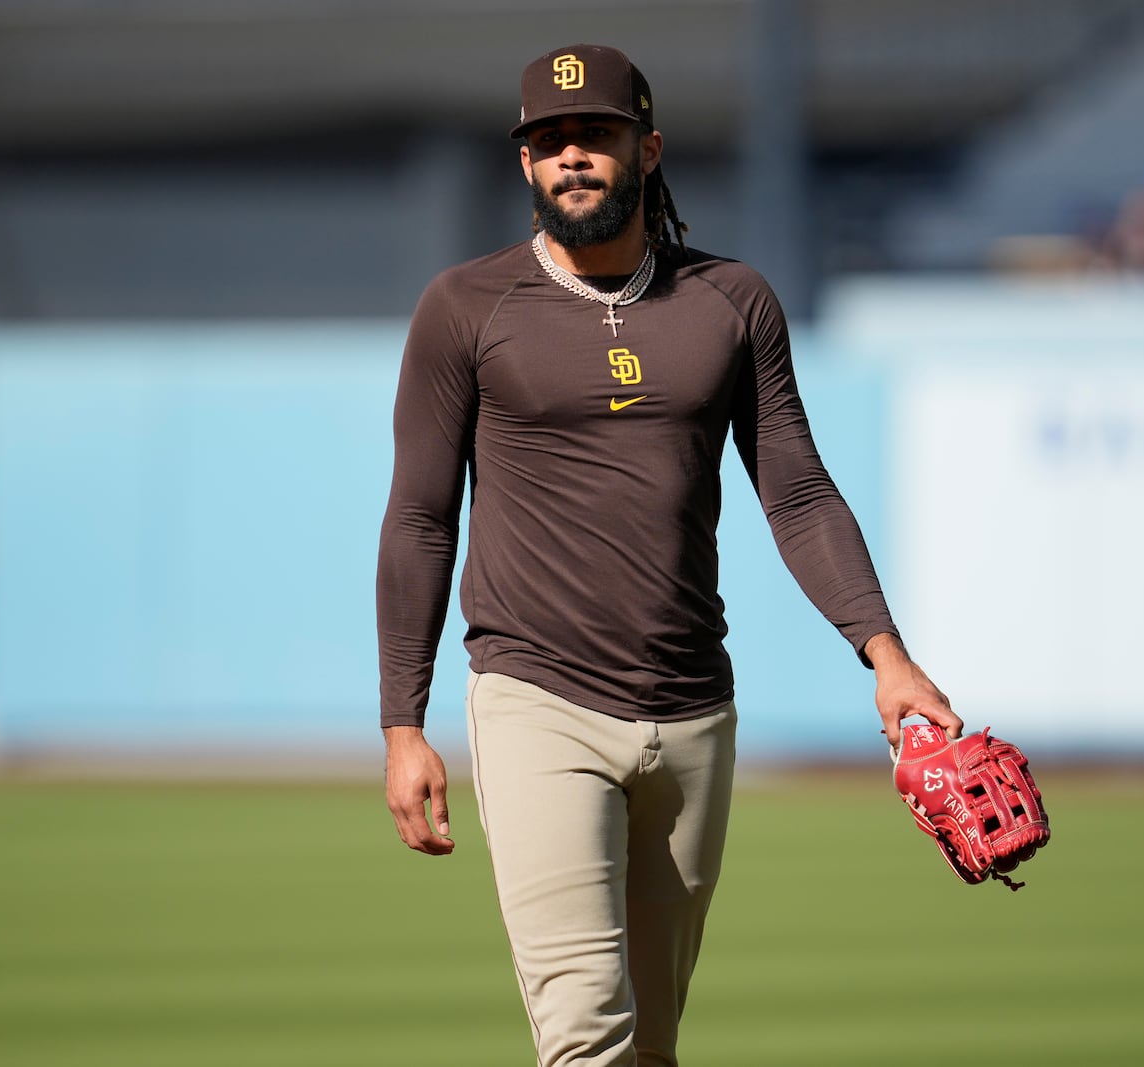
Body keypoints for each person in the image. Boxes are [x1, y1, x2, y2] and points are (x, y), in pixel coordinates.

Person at [377, 44, 961, 1067]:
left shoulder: (729, 300)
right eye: (547, 141)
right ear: (524, 166)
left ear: (645, 149)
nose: (570, 157)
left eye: (593, 136)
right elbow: (422, 517)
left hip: (693, 709)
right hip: (536, 698)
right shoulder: (466, 307)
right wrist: (402, 721)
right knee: (587, 1036)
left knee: (651, 1044)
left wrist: (886, 653)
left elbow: (797, 487)